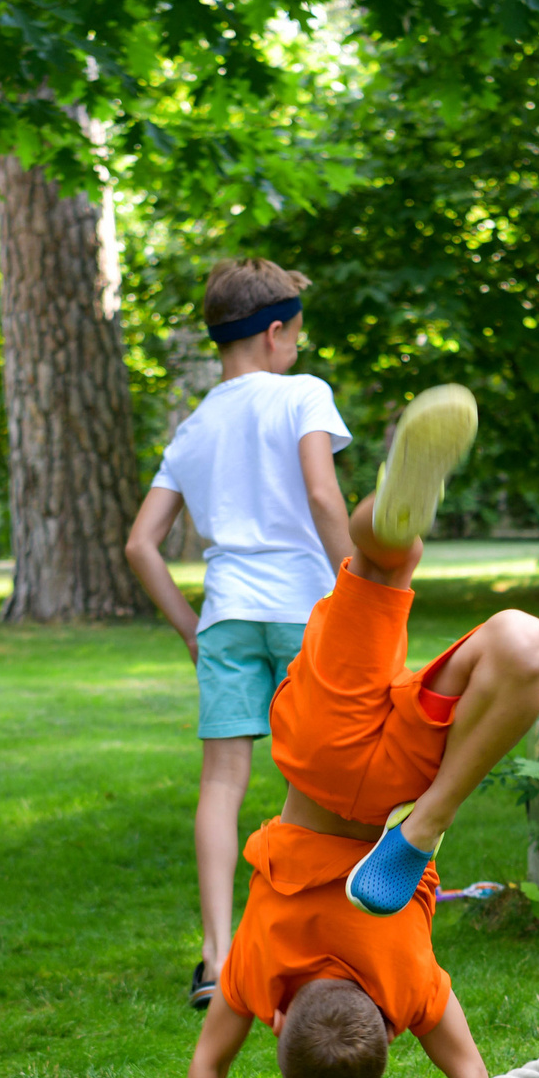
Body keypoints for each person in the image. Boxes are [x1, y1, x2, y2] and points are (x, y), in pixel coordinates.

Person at [152, 408, 539, 1078]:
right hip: (322, 757)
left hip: (393, 781)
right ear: (280, 1026)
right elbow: (208, 1063)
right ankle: (392, 514)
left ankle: (433, 816)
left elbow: (470, 1075)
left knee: (523, 645)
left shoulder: (407, 985)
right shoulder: (258, 971)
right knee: (382, 559)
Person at [124, 258, 353, 1011]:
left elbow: (141, 544)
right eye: (297, 335)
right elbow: (322, 493)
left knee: (221, 784)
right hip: (302, 611)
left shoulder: (193, 427)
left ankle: (216, 957)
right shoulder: (302, 393)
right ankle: (301, 941)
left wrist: (192, 627)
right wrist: (361, 587)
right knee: (311, 782)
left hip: (226, 615)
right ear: (275, 331)